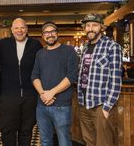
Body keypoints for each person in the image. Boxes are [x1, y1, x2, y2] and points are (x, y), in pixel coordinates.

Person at [77, 14, 122, 146]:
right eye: (88, 25)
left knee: (104, 142)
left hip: (100, 104)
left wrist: (107, 107)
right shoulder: (85, 47)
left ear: (101, 27)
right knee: (88, 141)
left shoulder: (112, 46)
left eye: (94, 25)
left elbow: (115, 79)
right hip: (84, 103)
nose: (90, 28)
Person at [0, 18, 42, 145]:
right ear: (12, 30)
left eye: (22, 28)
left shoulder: (36, 45)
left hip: (30, 96)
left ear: (27, 30)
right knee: (7, 130)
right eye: (16, 28)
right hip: (8, 96)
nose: (19, 31)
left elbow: (41, 68)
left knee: (26, 130)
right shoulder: (2, 45)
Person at [31, 21, 78, 146]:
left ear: (57, 34)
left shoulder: (69, 51)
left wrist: (51, 93)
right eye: (46, 32)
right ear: (42, 36)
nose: (49, 35)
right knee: (45, 141)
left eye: (52, 32)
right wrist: (43, 94)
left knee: (64, 141)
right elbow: (34, 76)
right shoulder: (40, 53)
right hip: (42, 106)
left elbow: (71, 77)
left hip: (61, 105)